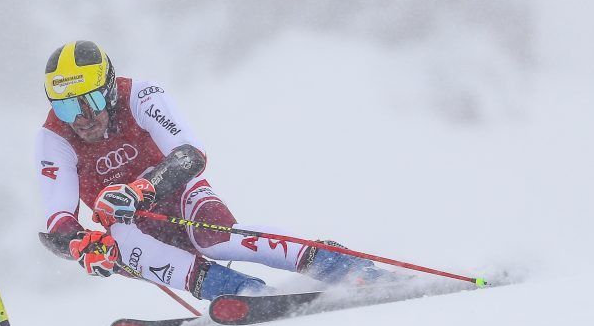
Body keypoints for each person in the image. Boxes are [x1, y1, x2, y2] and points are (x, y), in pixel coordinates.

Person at [35, 40, 388, 301]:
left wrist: (141, 190)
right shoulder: (53, 138)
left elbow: (189, 155)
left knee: (215, 240)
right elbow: (58, 222)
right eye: (66, 108)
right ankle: (242, 293)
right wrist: (81, 244)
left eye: (91, 101)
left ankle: (339, 265)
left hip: (179, 195)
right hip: (129, 224)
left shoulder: (140, 96)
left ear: (110, 90)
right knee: (122, 245)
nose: (81, 118)